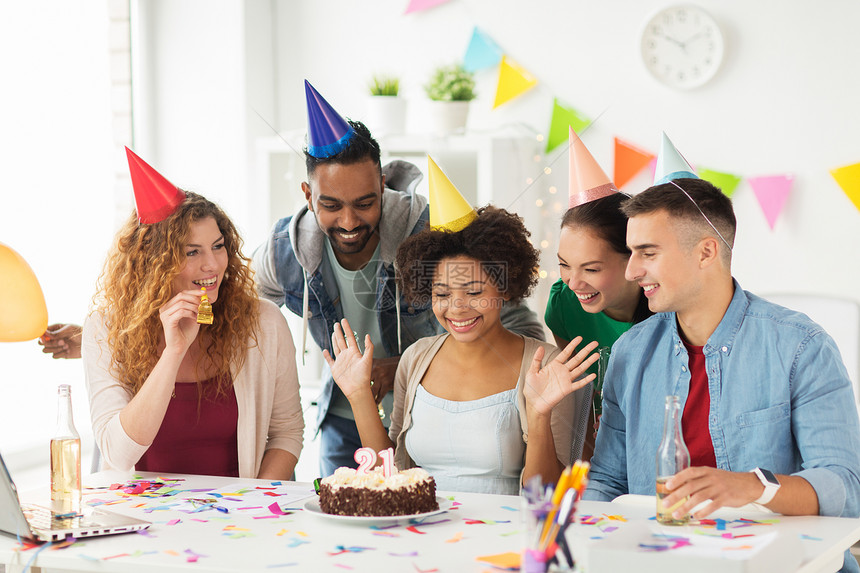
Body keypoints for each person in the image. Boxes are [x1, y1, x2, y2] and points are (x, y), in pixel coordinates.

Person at [252, 82, 544, 477]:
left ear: (382, 188)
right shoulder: (283, 251)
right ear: (308, 195)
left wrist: (412, 364)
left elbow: (514, 319)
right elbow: (242, 316)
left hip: (430, 421)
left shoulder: (430, 231)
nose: (350, 222)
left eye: (365, 203)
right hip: (343, 417)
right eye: (331, 205)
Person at [583, 177, 860, 572]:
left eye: (647, 253)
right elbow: (608, 482)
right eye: (631, 253)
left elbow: (846, 488)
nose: (631, 271)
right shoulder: (631, 352)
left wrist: (756, 487)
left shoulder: (801, 346)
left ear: (706, 252)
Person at [324, 202, 599, 494]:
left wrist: (539, 415)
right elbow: (391, 475)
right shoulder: (416, 358)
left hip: (505, 534)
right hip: (423, 530)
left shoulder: (544, 365)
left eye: (474, 292)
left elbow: (548, 494)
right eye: (442, 293)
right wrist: (358, 396)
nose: (457, 308)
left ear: (504, 287)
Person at [83, 149, 303, 479]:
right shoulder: (104, 329)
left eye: (217, 246)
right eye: (192, 252)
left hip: (239, 522)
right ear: (153, 262)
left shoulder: (263, 322)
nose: (212, 264)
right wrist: (173, 352)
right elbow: (118, 452)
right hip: (141, 521)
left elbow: (287, 433)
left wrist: (253, 506)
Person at [544, 129, 653, 459]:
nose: (574, 282)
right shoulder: (564, 305)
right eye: (564, 265)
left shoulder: (668, 312)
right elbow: (582, 396)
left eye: (591, 269)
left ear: (633, 259)